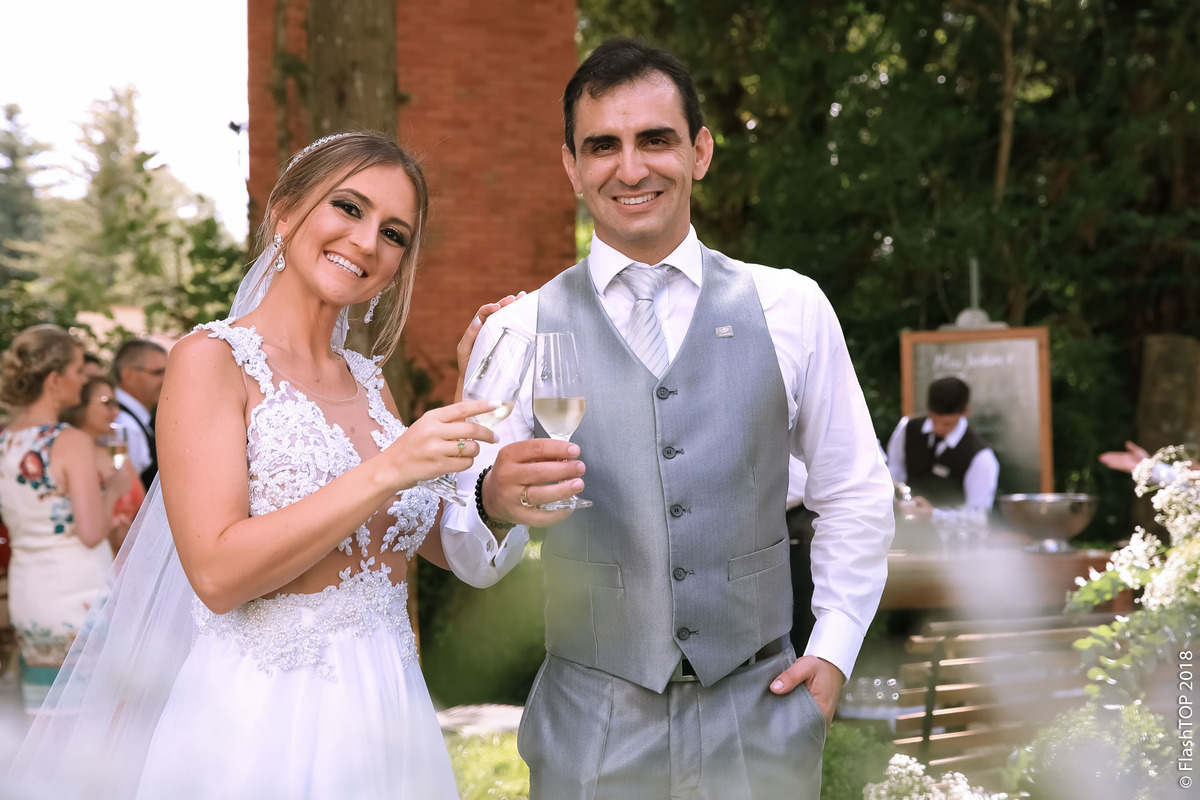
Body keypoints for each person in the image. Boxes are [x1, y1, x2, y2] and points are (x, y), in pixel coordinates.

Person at [442, 38, 894, 798]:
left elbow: (852, 489)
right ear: (571, 167)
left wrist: (836, 648)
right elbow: (462, 540)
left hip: (761, 712)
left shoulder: (791, 306)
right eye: (602, 146)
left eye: (655, 139)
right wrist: (490, 499)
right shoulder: (516, 332)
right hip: (590, 726)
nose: (630, 168)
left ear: (700, 151)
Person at [6, 131, 512, 798]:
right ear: (283, 211)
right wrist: (389, 468)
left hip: (389, 705)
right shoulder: (209, 361)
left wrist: (482, 440)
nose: (366, 242)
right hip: (265, 718)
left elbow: (418, 539)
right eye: (349, 207)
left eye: (394, 233)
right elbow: (216, 574)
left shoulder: (368, 382)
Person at [0, 325, 133, 712]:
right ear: (55, 380)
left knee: (43, 715)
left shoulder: (6, 441)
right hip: (78, 593)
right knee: (92, 720)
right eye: (78, 370)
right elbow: (91, 532)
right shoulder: (69, 441)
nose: (84, 379)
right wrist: (115, 486)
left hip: (30, 596)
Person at [886, 376, 999, 520]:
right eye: (933, 419)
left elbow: (978, 518)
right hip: (904, 530)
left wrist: (933, 515)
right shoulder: (907, 429)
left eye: (947, 423)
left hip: (950, 539)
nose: (938, 428)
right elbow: (895, 470)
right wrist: (896, 497)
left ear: (965, 411)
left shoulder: (981, 457)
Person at [58, 376, 145, 552]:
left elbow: (145, 513)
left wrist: (133, 533)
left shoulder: (117, 456)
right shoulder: (63, 457)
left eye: (115, 404)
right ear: (79, 404)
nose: (116, 412)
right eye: (107, 403)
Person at [111, 339, 167, 490]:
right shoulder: (125, 425)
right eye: (157, 372)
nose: (166, 380)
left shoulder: (136, 420)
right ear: (128, 375)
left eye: (168, 372)